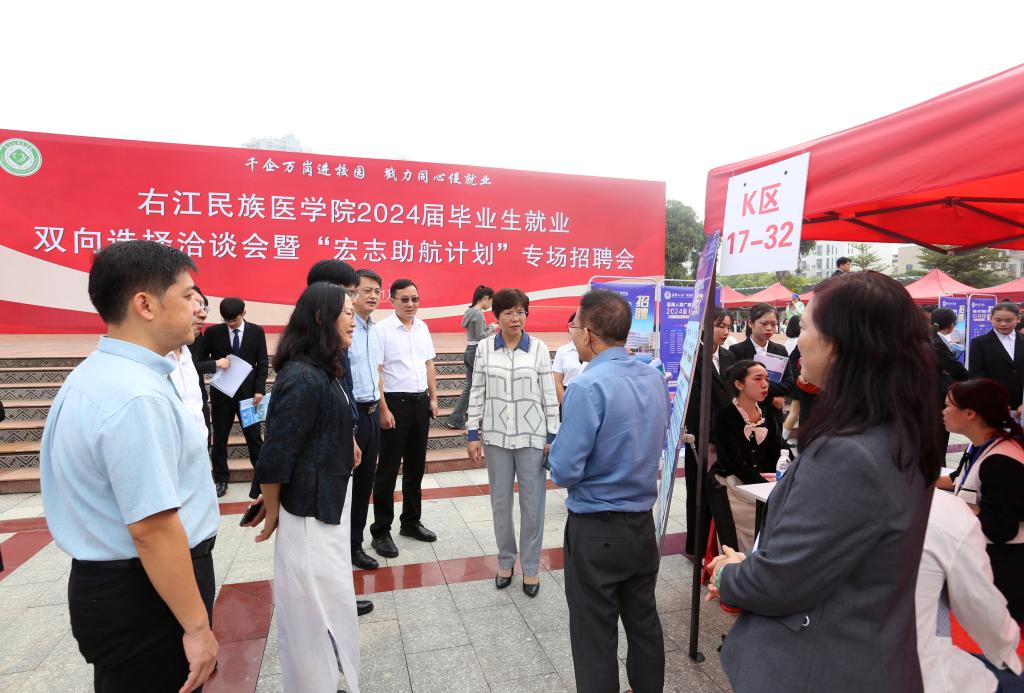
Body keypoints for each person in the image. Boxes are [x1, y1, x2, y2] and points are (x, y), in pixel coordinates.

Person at [706, 271, 943, 693]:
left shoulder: (850, 452)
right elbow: (823, 553)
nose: (798, 341)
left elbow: (780, 582)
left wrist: (729, 574)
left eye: (806, 327)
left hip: (816, 666)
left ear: (838, 343)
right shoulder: (900, 429)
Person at [40, 240, 219, 692]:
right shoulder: (136, 396)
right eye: (187, 295)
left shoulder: (99, 375)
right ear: (146, 305)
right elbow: (153, 528)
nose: (198, 306)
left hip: (125, 588)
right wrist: (197, 627)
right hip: (148, 597)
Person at [549, 289, 671, 693]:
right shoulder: (654, 378)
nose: (573, 335)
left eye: (575, 327)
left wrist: (555, 452)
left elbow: (565, 469)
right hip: (641, 525)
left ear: (588, 334)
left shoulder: (587, 386)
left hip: (596, 529)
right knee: (644, 622)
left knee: (594, 635)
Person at [247, 282, 361, 693]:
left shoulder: (325, 369)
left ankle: (330, 679)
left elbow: (319, 429)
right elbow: (276, 454)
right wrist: (272, 510)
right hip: (309, 515)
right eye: (346, 312)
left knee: (330, 604)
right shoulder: (302, 377)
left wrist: (346, 442)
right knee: (310, 614)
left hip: (326, 504)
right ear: (319, 318)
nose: (354, 320)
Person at [465, 288, 559, 597]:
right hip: (496, 438)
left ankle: (530, 567)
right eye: (509, 312)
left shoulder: (539, 348)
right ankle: (505, 561)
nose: (516, 318)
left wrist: (552, 435)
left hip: (532, 438)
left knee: (533, 506)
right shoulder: (484, 348)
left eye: (521, 312)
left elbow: (549, 395)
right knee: (500, 504)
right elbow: (477, 391)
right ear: (497, 316)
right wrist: (473, 433)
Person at [304, 259, 375, 617]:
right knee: (323, 532)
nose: (353, 303)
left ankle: (338, 595)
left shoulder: (334, 342)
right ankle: (327, 604)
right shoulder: (307, 358)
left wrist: (350, 434)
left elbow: (344, 388)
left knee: (338, 524)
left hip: (344, 435)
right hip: (320, 460)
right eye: (348, 295)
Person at [916, 488, 1023, 693]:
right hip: (925, 675)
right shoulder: (943, 511)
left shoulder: (851, 506)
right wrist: (1008, 655)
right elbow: (983, 609)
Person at [943, 379, 1024, 623]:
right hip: (987, 563)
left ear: (970, 413)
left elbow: (1000, 528)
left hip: (1005, 572)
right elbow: (959, 480)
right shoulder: (984, 446)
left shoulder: (1002, 460)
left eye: (948, 405)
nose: (943, 411)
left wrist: (951, 509)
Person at [371, 278, 439, 558]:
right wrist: (383, 408)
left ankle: (411, 522)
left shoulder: (422, 327)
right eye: (404, 299)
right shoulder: (381, 330)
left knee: (415, 467)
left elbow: (428, 364)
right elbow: (377, 371)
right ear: (392, 301)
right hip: (394, 405)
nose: (411, 304)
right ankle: (380, 531)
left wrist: (433, 398)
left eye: (415, 299)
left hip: (420, 403)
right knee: (387, 470)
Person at [710, 360, 788, 553]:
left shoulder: (767, 413)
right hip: (731, 482)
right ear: (739, 384)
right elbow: (733, 462)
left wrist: (791, 472)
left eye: (767, 379)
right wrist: (762, 484)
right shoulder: (724, 416)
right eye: (758, 379)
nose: (765, 384)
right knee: (743, 535)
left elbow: (781, 449)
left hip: (760, 482)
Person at [200, 297, 269, 497]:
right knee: (220, 438)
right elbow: (202, 359)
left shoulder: (256, 332)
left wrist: (259, 390)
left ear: (243, 313)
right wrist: (217, 363)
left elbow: (263, 362)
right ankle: (221, 479)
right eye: (226, 320)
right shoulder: (213, 333)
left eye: (234, 320)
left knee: (254, 437)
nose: (230, 324)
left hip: (249, 396)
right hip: (222, 394)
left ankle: (262, 479)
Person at [683, 306, 735, 557]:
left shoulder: (727, 356)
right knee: (698, 490)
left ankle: (719, 545)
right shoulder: (694, 355)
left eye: (728, 327)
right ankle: (696, 546)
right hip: (702, 435)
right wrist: (710, 433)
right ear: (705, 326)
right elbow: (694, 401)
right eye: (720, 326)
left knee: (720, 489)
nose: (725, 331)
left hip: (726, 433)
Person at [349, 269, 384, 572]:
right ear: (353, 293)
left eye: (376, 291)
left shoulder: (375, 330)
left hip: (372, 414)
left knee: (364, 486)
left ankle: (355, 544)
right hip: (352, 417)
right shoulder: (346, 329)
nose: (373, 296)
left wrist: (383, 408)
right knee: (347, 484)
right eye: (367, 290)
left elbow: (377, 373)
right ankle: (345, 545)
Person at [445, 285, 495, 429]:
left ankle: (456, 418)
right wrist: (492, 328)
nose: (490, 305)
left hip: (469, 350)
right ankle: (457, 418)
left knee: (470, 387)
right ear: (485, 298)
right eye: (490, 301)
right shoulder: (478, 314)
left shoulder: (469, 311)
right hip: (476, 352)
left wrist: (488, 328)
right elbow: (481, 337)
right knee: (477, 387)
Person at [728, 303, 789, 419]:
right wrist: (771, 399)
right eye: (764, 323)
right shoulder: (736, 351)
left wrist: (756, 385)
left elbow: (788, 383)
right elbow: (736, 385)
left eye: (773, 324)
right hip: (745, 414)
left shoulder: (780, 350)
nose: (769, 328)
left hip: (774, 416)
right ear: (750, 323)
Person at [188, 287, 229, 447]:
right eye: (195, 305)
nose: (203, 314)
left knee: (205, 445)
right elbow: (189, 366)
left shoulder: (198, 335)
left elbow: (200, 358)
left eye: (204, 307)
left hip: (199, 400)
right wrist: (215, 364)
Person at [969, 302, 1024, 413]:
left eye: (1008, 320)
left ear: (1018, 319)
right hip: (992, 403)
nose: (1003, 324)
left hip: (1021, 404)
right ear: (990, 319)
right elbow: (977, 376)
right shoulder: (979, 343)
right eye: (998, 320)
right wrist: (991, 401)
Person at [932, 307, 969, 454]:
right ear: (952, 324)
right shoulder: (937, 342)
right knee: (939, 436)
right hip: (937, 394)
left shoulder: (931, 339)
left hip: (931, 394)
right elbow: (957, 369)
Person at [552, 311, 587, 406]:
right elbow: (557, 382)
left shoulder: (595, 351)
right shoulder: (562, 351)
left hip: (590, 396)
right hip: (567, 396)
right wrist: (566, 404)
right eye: (572, 325)